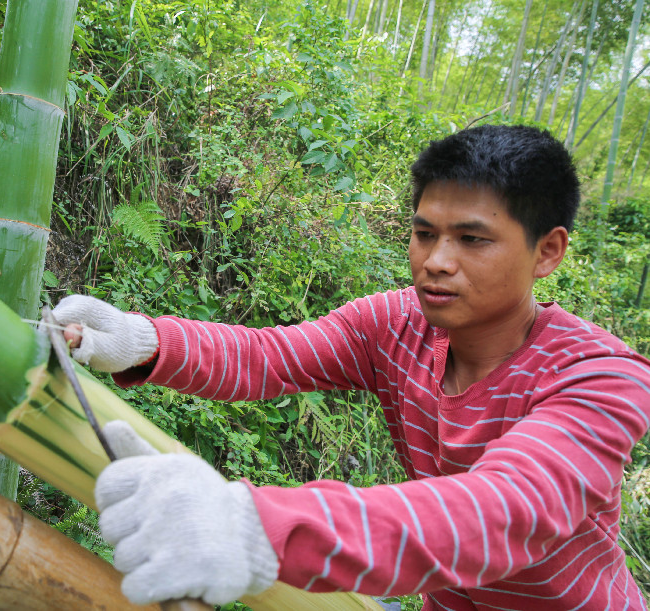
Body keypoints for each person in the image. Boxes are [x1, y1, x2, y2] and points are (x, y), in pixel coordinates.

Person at [52, 125, 650, 610]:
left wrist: (253, 526)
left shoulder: (600, 377)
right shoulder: (395, 325)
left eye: (473, 240)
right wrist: (144, 341)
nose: (437, 261)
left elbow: (503, 510)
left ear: (547, 251)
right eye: (424, 233)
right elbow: (270, 357)